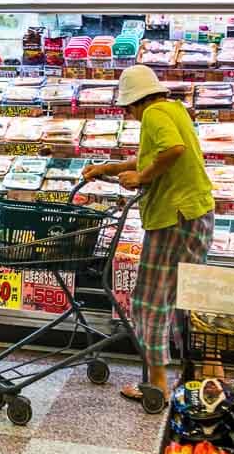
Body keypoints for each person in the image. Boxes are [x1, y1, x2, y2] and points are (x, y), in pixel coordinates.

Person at [81, 63, 214, 406]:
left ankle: (157, 386)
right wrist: (109, 169)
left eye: (127, 109)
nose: (129, 115)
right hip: (194, 216)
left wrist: (142, 178)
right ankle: (206, 373)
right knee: (183, 297)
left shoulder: (154, 114)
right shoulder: (173, 108)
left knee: (148, 303)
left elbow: (172, 151)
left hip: (175, 219)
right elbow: (152, 156)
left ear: (134, 102)